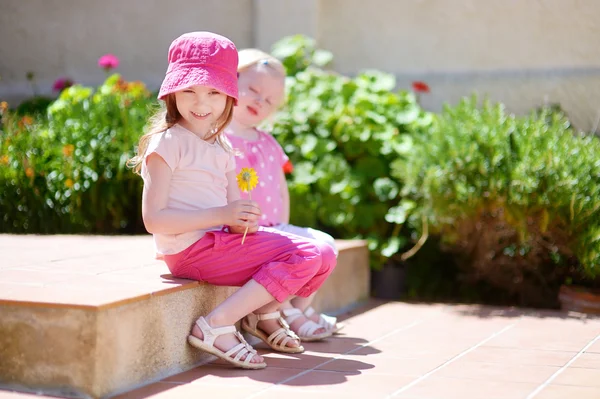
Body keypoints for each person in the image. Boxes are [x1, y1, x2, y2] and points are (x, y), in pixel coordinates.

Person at [127, 32, 336, 369]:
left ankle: (260, 315)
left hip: (217, 242)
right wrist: (222, 213)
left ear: (228, 97)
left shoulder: (221, 147)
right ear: (172, 93)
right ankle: (216, 324)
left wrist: (243, 219)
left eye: (213, 92)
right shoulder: (166, 143)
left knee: (320, 254)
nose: (201, 103)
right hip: (188, 251)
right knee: (304, 253)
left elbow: (233, 213)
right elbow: (154, 219)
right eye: (189, 91)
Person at [225, 49, 343, 341]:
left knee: (326, 245)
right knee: (300, 254)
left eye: (269, 101)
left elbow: (280, 188)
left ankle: (297, 308)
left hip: (273, 228)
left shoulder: (268, 142)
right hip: (241, 231)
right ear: (230, 80)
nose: (259, 101)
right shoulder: (218, 137)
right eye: (253, 89)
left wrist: (284, 225)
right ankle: (289, 311)